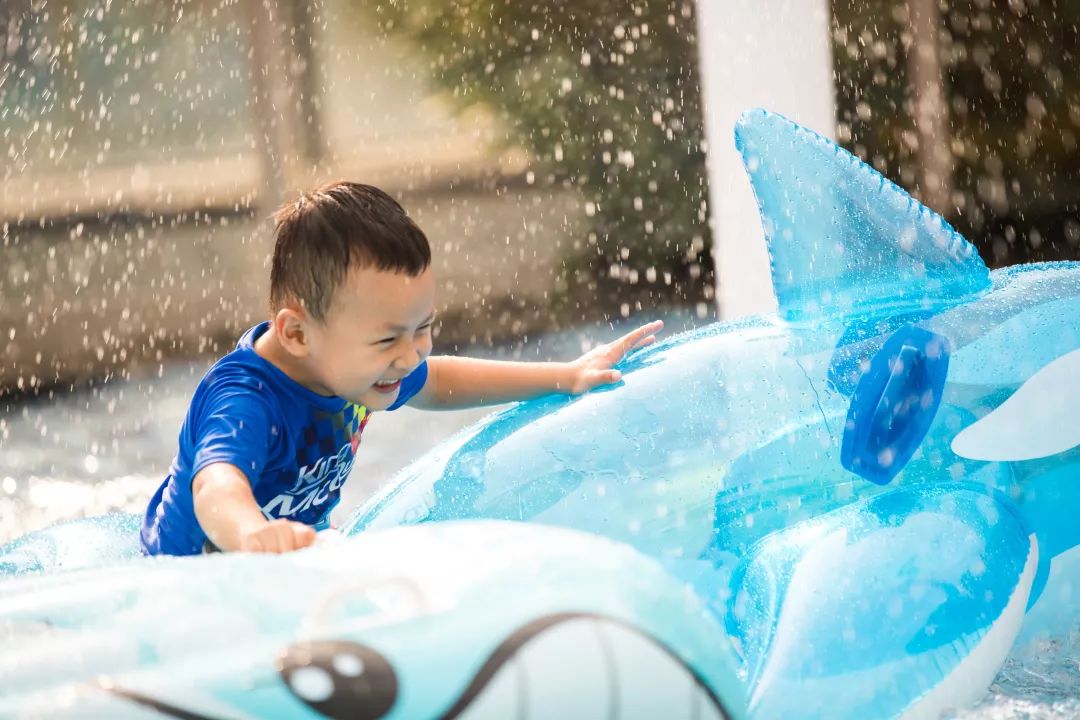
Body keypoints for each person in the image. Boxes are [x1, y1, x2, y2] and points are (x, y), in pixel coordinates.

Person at [141, 181, 662, 556]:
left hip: (286, 558)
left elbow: (436, 379)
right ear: (296, 333)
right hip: (192, 577)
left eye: (423, 328)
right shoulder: (246, 401)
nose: (411, 354)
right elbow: (216, 486)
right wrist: (254, 534)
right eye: (390, 337)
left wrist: (565, 375)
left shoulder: (349, 363)